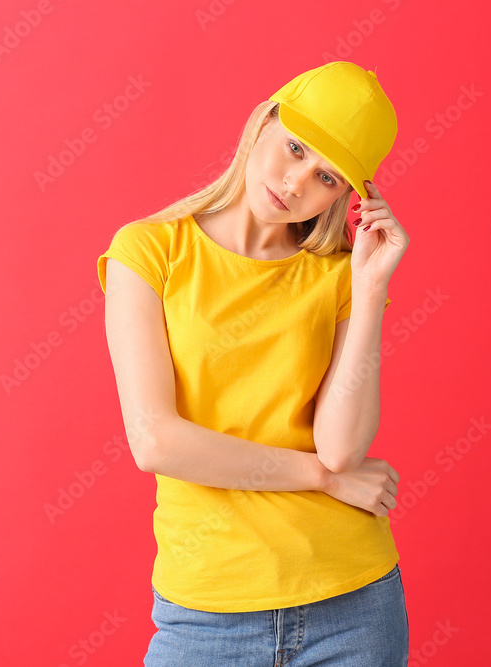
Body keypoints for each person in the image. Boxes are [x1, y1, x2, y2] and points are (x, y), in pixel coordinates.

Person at [96, 61, 411, 666]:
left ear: (346, 197)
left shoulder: (338, 277)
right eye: (294, 148)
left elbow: (342, 450)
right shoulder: (150, 250)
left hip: (353, 604)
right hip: (208, 612)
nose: (295, 182)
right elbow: (156, 441)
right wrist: (322, 479)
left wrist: (369, 291)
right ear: (263, 121)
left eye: (326, 176)